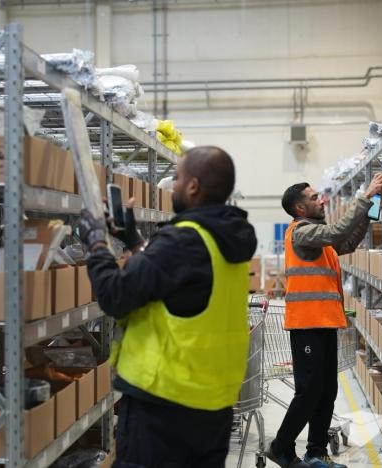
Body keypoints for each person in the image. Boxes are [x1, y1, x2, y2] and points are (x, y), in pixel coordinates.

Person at [77, 146, 258, 468]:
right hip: (212, 409)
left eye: (177, 177)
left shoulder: (183, 240)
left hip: (163, 412)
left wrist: (96, 243)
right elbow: (182, 283)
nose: (173, 185)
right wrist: (134, 240)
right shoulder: (225, 239)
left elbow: (114, 295)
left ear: (193, 186)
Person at [268, 173, 382, 468]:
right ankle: (281, 447)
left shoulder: (319, 237)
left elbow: (347, 241)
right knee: (309, 391)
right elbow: (337, 232)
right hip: (307, 324)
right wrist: (364, 195)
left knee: (326, 391)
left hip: (324, 322)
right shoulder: (301, 233)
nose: (321, 200)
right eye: (314, 198)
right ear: (300, 208)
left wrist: (373, 204)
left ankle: (316, 452)